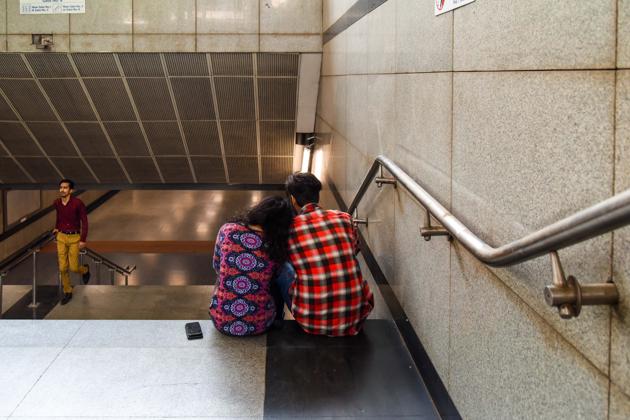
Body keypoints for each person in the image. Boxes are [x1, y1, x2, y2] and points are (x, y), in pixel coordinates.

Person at [275, 172, 374, 336]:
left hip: (311, 321)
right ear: (317, 195)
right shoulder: (344, 218)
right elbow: (355, 249)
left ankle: (277, 320)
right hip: (357, 316)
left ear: (292, 199)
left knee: (280, 267)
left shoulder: (288, 229)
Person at [210, 196, 293, 336]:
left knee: (224, 275)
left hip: (221, 322)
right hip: (259, 326)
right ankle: (278, 320)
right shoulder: (274, 246)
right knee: (280, 274)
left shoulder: (227, 230)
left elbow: (217, 266)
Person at [53, 179, 90, 305]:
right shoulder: (57, 203)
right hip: (61, 237)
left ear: (71, 190)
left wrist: (83, 239)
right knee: (62, 268)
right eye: (61, 187)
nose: (62, 190)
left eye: (65, 187)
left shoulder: (78, 203)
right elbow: (58, 216)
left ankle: (84, 270)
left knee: (74, 267)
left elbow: (84, 222)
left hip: (74, 238)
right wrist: (57, 227)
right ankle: (67, 291)